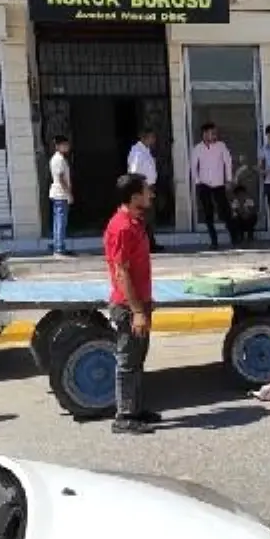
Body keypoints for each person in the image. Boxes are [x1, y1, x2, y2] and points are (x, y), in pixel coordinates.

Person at [104, 173, 159, 435]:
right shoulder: (122, 227)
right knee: (127, 361)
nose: (151, 194)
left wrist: (146, 303)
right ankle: (124, 416)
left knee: (137, 359)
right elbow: (121, 272)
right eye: (147, 190)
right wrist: (137, 310)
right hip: (128, 306)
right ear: (135, 196)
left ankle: (136, 410)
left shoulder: (136, 222)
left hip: (140, 302)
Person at [190, 122, 234, 249]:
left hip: (219, 184)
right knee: (208, 213)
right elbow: (193, 166)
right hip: (204, 184)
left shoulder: (221, 146)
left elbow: (228, 162)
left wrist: (229, 179)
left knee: (224, 211)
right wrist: (197, 181)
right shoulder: (198, 148)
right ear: (204, 134)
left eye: (215, 133)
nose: (214, 135)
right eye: (211, 133)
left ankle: (234, 236)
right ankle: (214, 240)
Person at [126, 131, 163, 252]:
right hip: (143, 187)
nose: (154, 140)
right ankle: (144, 244)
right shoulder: (137, 152)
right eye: (152, 137)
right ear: (145, 138)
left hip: (149, 186)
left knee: (149, 216)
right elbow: (135, 172)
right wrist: (143, 190)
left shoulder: (146, 150)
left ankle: (150, 243)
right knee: (144, 217)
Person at [48, 135, 74, 258]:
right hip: (60, 194)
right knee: (60, 222)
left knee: (58, 221)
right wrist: (69, 194)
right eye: (65, 144)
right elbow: (61, 179)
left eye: (67, 144)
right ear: (58, 146)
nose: (67, 146)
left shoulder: (59, 158)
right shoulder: (58, 159)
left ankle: (58, 245)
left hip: (58, 194)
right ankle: (59, 248)